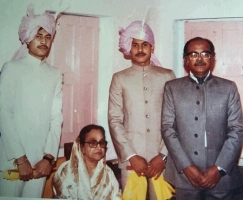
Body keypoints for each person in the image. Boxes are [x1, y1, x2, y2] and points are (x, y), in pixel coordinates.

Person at [161, 37, 243, 200]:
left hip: (222, 179)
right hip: (184, 177)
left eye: (205, 53)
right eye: (193, 54)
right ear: (185, 60)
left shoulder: (228, 88)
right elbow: (167, 129)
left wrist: (219, 169)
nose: (199, 59)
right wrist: (187, 167)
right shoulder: (172, 88)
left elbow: (237, 130)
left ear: (213, 58)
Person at [0, 5, 63, 198]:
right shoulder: (11, 69)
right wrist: (20, 159)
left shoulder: (54, 74)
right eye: (38, 35)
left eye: (48, 37)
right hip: (12, 160)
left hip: (40, 163)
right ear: (27, 39)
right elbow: (4, 113)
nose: (43, 41)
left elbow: (56, 118)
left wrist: (48, 158)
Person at [108, 20, 176, 199]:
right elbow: (114, 119)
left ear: (152, 48)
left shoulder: (167, 76)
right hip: (131, 159)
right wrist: (131, 155)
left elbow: (175, 118)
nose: (140, 49)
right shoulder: (119, 78)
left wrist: (162, 156)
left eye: (145, 44)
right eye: (135, 44)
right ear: (129, 49)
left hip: (161, 159)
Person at [53, 124, 121, 199]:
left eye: (102, 142)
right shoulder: (66, 170)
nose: (99, 147)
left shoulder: (108, 173)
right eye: (92, 142)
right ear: (82, 147)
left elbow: (116, 196)